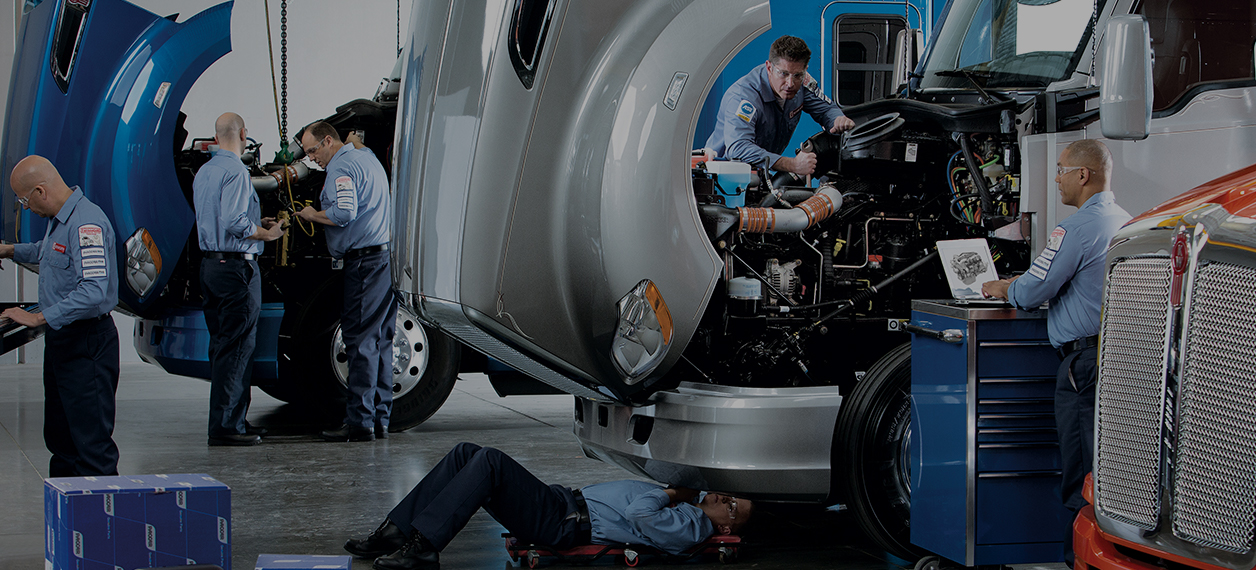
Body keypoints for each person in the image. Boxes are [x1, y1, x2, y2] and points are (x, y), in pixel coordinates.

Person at [981, 139, 1131, 565]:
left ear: (1084, 176)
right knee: (1112, 469)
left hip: (1083, 367)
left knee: (1081, 472)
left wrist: (1006, 286)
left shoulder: (1077, 227)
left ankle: (1078, 559)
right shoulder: (1127, 220)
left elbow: (1033, 291)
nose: (1057, 177)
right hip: (1120, 360)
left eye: (1062, 169)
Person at [342, 442, 754, 570]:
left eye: (731, 507)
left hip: (561, 523)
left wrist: (675, 494)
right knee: (467, 453)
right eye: (730, 494)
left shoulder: (691, 528)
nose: (724, 499)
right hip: (562, 504)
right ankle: (397, 530)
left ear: (725, 529)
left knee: (489, 462)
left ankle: (424, 548)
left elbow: (637, 514)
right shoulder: (692, 512)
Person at [0, 156, 120, 477]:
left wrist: (38, 318)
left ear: (40, 191)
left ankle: (101, 523)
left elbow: (94, 291)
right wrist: (9, 250)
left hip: (87, 345)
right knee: (61, 439)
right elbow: (46, 251)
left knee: (90, 445)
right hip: (63, 343)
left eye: (25, 201)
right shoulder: (60, 221)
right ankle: (68, 518)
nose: (26, 208)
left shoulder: (86, 224)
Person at [294, 121, 397, 442]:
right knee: (381, 340)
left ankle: (359, 422)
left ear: (328, 141)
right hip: (384, 259)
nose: (313, 160)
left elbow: (343, 212)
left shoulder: (341, 167)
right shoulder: (366, 158)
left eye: (313, 151)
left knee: (361, 342)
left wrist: (311, 215)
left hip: (363, 263)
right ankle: (380, 418)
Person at [194, 112, 285, 447]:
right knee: (238, 347)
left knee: (221, 346)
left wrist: (251, 219)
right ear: (244, 133)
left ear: (217, 136)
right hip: (237, 269)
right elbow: (234, 222)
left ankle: (227, 420)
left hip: (211, 267)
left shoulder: (205, 171)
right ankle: (227, 427)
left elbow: (219, 218)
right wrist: (267, 232)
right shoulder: (235, 170)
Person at [703, 35, 856, 176]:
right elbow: (738, 148)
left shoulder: (803, 83)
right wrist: (792, 164)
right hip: (723, 180)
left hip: (760, 176)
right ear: (769, 67)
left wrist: (838, 120)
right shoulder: (744, 97)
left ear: (804, 70)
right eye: (783, 74)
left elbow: (827, 109)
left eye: (797, 75)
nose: (790, 83)